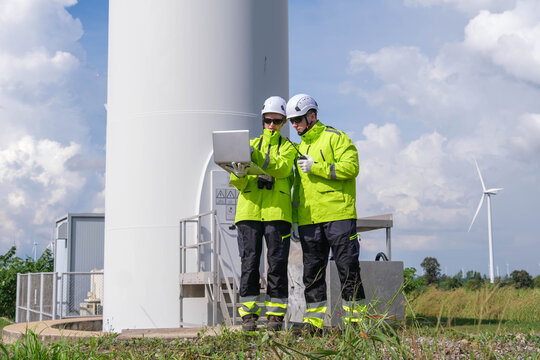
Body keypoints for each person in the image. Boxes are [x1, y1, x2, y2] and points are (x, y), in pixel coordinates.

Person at [287, 93, 366, 333]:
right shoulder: (299, 147)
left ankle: (356, 323)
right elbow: (298, 189)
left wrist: (317, 167)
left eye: (298, 119)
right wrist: (294, 220)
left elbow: (352, 168)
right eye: (291, 121)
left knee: (348, 268)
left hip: (338, 215)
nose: (294, 125)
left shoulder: (337, 138)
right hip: (310, 220)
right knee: (312, 274)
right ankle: (313, 324)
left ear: (312, 116)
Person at [229, 96, 296, 331]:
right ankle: (248, 316)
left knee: (276, 265)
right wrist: (237, 171)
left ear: (284, 122)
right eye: (268, 120)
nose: (271, 125)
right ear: (262, 120)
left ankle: (275, 317)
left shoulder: (288, 147)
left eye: (276, 121)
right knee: (249, 265)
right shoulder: (250, 145)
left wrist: (254, 158)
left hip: (278, 213)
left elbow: (282, 167)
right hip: (249, 212)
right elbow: (235, 182)